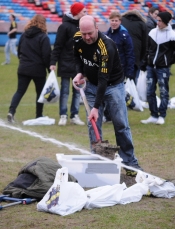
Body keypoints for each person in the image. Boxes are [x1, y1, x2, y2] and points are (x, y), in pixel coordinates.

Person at [73, 15, 143, 176]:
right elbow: (77, 56)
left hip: (113, 86)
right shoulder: (78, 38)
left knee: (121, 124)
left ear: (97, 28)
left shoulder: (106, 46)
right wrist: (79, 73)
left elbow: (103, 79)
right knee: (93, 125)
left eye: (90, 33)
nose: (87, 37)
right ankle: (98, 161)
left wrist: (96, 108)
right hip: (90, 85)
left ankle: (130, 163)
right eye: (84, 34)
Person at [7, 14, 51, 123]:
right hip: (38, 69)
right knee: (39, 93)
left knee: (20, 91)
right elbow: (46, 55)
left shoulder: (24, 35)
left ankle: (11, 111)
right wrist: (49, 70)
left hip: (23, 67)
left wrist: (22, 61)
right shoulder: (43, 37)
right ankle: (39, 115)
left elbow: (19, 50)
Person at [50, 2, 86, 126]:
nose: (85, 13)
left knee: (77, 91)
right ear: (77, 12)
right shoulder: (64, 26)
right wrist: (53, 62)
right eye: (83, 11)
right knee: (65, 91)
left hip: (78, 65)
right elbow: (58, 45)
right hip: (65, 63)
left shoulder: (83, 26)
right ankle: (63, 115)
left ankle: (74, 115)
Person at [140, 12, 175, 125]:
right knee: (150, 91)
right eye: (157, 20)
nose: (157, 22)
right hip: (151, 67)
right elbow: (148, 49)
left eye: (160, 20)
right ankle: (153, 115)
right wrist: (145, 62)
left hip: (163, 68)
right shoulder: (152, 32)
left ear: (166, 21)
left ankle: (162, 115)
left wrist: (168, 62)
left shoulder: (172, 35)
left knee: (164, 92)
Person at [103, 11, 135, 122]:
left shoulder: (124, 35)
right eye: (112, 20)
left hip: (121, 69)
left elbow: (129, 53)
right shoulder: (107, 34)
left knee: (118, 95)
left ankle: (119, 116)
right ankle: (107, 115)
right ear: (109, 21)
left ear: (120, 21)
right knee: (107, 92)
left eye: (116, 21)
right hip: (108, 68)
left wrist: (130, 71)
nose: (114, 23)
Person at [121, 10, 147, 83]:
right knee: (133, 80)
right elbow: (145, 44)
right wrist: (140, 59)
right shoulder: (142, 24)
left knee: (120, 80)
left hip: (122, 55)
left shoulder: (121, 21)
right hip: (136, 55)